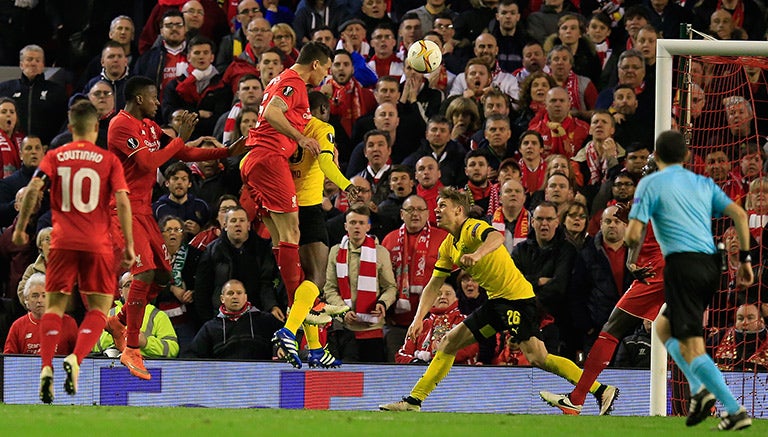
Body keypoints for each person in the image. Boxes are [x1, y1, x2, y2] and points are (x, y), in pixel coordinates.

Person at [379, 187, 613, 412]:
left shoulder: (473, 227)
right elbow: (433, 285)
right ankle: (414, 400)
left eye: (443, 206)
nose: (436, 210)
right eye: (437, 206)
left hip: (517, 300)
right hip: (496, 302)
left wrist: (477, 254)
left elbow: (497, 238)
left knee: (538, 358)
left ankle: (599, 389)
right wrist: (418, 318)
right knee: (449, 342)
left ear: (459, 210)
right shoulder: (448, 245)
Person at [105, 76, 245, 381]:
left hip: (142, 210)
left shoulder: (150, 128)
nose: (158, 103)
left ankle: (117, 321)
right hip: (122, 209)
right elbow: (146, 163)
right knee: (142, 274)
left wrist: (227, 152)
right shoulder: (120, 125)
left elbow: (182, 153)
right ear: (140, 98)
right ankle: (131, 346)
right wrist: (180, 137)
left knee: (163, 277)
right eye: (154, 97)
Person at [625, 130, 753, 430]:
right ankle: (699, 388)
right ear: (686, 156)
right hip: (711, 267)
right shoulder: (703, 182)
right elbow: (739, 215)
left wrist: (633, 245)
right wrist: (745, 260)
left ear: (655, 156)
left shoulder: (650, 183)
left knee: (693, 347)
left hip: (683, 266)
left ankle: (734, 409)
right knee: (663, 326)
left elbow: (632, 234)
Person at [11, 100, 135, 404]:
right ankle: (76, 359)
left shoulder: (55, 155)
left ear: (70, 128)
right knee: (97, 310)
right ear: (96, 128)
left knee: (54, 309)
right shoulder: (108, 160)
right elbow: (122, 201)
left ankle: (46, 369)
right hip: (96, 244)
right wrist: (130, 245)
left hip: (62, 243)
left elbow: (32, 190)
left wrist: (20, 228)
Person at [239, 41, 335, 370]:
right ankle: (296, 323)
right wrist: (301, 136)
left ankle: (298, 330)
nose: (328, 74)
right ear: (318, 64)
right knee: (292, 232)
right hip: (269, 159)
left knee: (282, 239)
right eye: (328, 67)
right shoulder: (294, 83)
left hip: (256, 160)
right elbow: (271, 113)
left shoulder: (280, 79)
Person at [290, 90, 359, 367]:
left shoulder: (286, 130)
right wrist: (347, 184)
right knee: (316, 279)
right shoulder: (320, 128)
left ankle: (316, 347)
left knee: (305, 286)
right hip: (308, 208)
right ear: (321, 109)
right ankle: (288, 331)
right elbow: (326, 162)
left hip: (285, 208)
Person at [324, 204, 397, 363]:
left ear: (368, 226)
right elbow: (329, 288)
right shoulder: (335, 252)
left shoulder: (380, 252)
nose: (357, 226)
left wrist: (382, 304)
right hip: (344, 329)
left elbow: (390, 287)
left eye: (361, 223)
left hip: (372, 328)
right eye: (353, 222)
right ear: (345, 226)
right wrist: (342, 311)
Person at [381, 194, 449, 361]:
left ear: (428, 214)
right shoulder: (389, 239)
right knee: (396, 370)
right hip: (396, 324)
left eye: (420, 209)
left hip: (431, 323)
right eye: (410, 209)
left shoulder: (443, 238)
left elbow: (451, 280)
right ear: (402, 214)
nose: (415, 214)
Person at [184, 279, 283, 359]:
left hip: (260, 377)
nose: (235, 296)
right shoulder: (210, 327)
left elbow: (286, 337)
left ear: (245, 297)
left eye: (239, 293)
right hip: (224, 379)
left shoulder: (264, 320)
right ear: (222, 299)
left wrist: (280, 347)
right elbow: (191, 355)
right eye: (230, 293)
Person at [96, 272, 179, 359]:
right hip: (111, 366)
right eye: (128, 285)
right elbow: (92, 345)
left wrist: (146, 343)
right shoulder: (108, 314)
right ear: (121, 292)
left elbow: (173, 349)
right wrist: (117, 337)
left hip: (147, 366)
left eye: (137, 284)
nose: (133, 288)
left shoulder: (158, 315)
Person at [395, 282, 477, 364]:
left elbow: (471, 348)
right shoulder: (420, 324)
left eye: (448, 294)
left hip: (460, 373)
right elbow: (401, 355)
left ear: (456, 299)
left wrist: (436, 359)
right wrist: (415, 362)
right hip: (421, 373)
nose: (442, 297)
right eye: (438, 294)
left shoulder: (464, 321)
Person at [0, 45, 67, 145]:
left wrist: (53, 144)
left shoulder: (57, 91)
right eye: (29, 59)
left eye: (37, 60)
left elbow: (64, 122)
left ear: (43, 65)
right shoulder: (5, 89)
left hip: (45, 148)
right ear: (21, 64)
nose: (33, 63)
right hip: (12, 147)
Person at [4, 273, 77, 355]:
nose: (39, 300)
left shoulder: (69, 323)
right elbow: (8, 360)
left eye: (44, 296)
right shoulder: (17, 326)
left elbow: (81, 359)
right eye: (35, 296)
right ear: (26, 299)